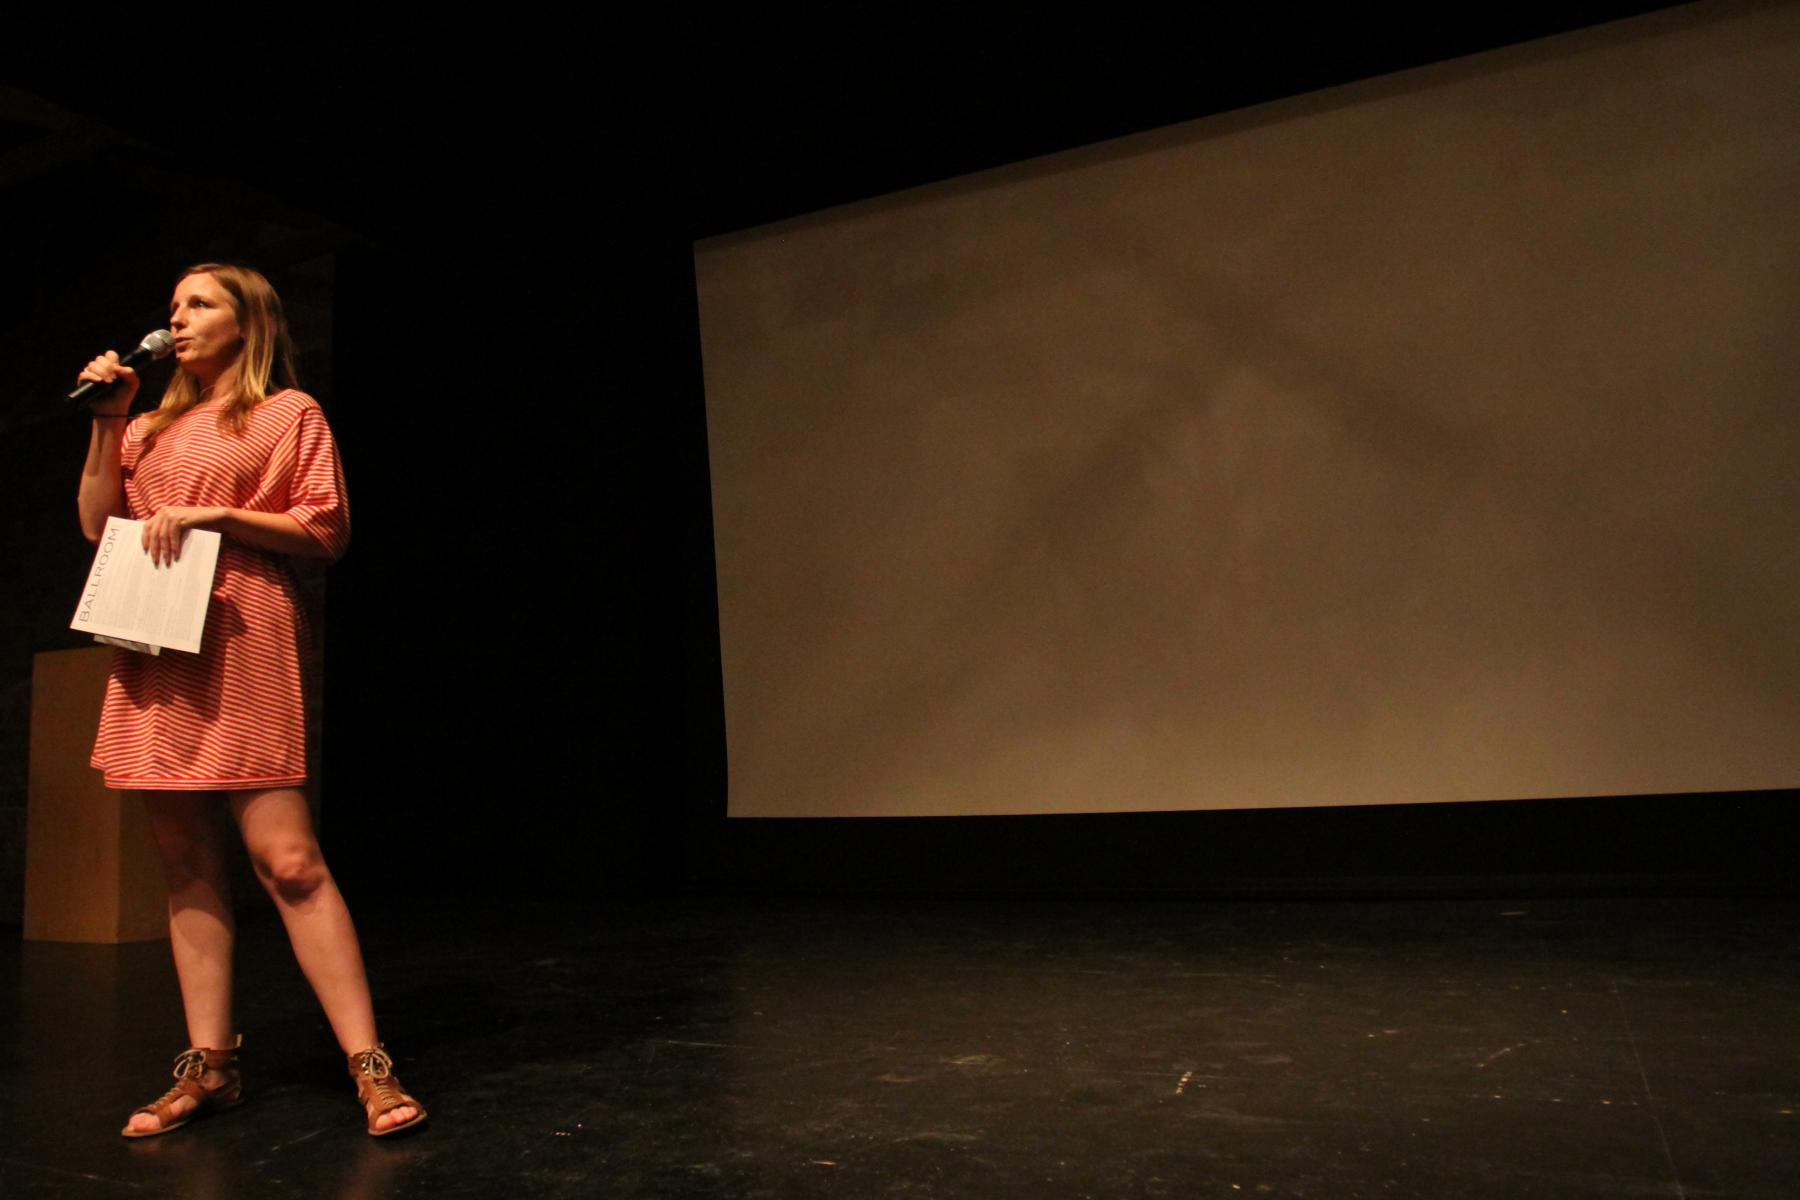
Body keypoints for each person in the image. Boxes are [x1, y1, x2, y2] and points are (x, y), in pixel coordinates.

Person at [75, 263, 426, 1139]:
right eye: (172, 308)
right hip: (157, 636)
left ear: (250, 321)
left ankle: (369, 1065)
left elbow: (325, 529)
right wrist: (109, 423)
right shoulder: (147, 423)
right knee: (186, 863)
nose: (178, 320)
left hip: (240, 636)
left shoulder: (286, 414)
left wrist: (211, 515)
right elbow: (96, 526)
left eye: (199, 304)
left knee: (290, 862)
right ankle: (211, 1065)